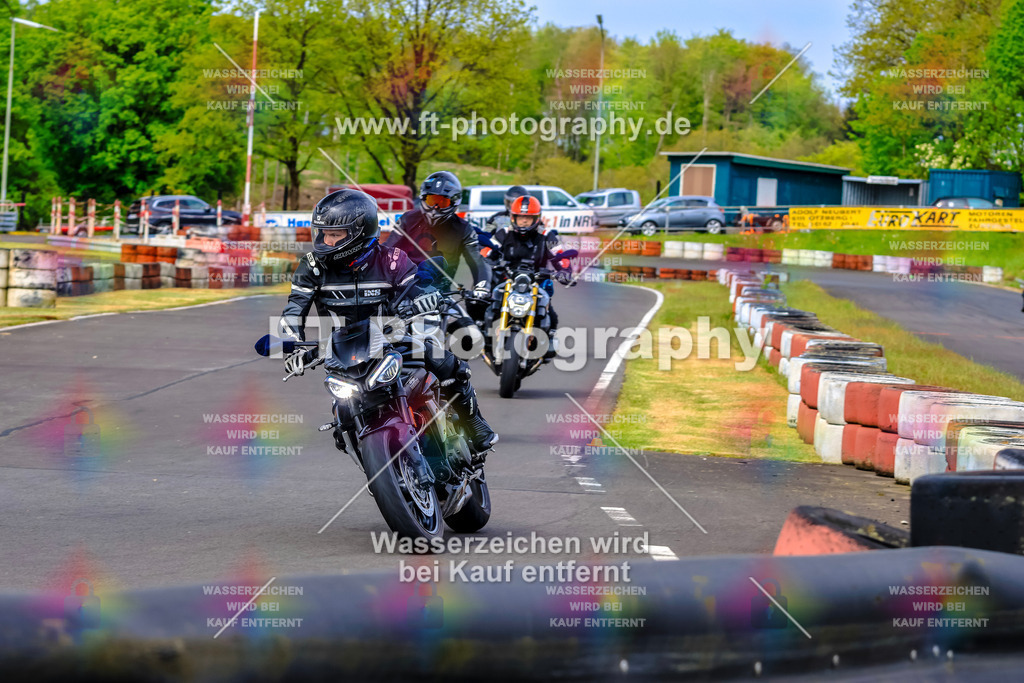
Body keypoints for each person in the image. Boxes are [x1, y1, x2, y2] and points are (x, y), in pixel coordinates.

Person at [278, 189, 497, 469]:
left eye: (336, 234)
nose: (326, 240)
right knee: (342, 422)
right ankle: (379, 465)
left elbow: (417, 285)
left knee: (447, 364)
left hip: (394, 339)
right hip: (345, 351)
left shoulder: (392, 260)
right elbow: (294, 309)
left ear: (359, 233)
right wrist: (291, 344)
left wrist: (424, 296)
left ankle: (474, 424)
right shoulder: (312, 268)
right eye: (323, 233)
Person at [385, 171, 492, 339]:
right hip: (402, 292)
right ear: (423, 198)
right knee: (376, 334)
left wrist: (482, 285)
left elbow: (477, 260)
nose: (435, 207)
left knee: (473, 338)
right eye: (431, 200)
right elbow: (387, 250)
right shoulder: (408, 219)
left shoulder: (464, 229)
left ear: (454, 203)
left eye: (442, 202)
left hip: (441, 297)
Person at [486, 195, 573, 359]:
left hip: (538, 281)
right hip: (508, 279)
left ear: (536, 218)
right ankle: (487, 338)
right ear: (513, 217)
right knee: (490, 303)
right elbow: (487, 248)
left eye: (528, 217)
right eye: (521, 217)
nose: (524, 221)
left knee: (550, 313)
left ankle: (547, 341)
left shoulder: (547, 235)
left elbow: (561, 255)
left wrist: (565, 269)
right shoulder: (504, 232)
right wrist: (487, 256)